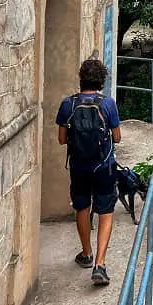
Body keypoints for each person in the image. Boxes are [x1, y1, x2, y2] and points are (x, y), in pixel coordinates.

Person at [56, 58, 121, 285]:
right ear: (101, 80)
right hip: (103, 166)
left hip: (78, 166)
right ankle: (100, 265)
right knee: (106, 210)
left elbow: (62, 139)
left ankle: (86, 253)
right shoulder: (108, 104)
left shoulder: (68, 104)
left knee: (82, 207)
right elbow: (118, 137)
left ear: (81, 78)